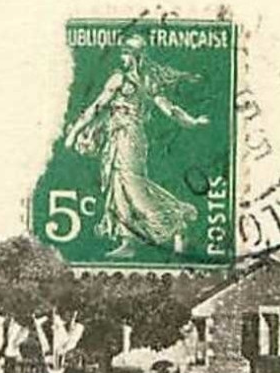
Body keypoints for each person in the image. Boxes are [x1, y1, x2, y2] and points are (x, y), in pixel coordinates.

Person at [61, 31, 208, 258]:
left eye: (128, 54)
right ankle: (128, 241)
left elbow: (168, 108)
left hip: (131, 138)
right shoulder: (118, 78)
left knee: (133, 187)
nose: (123, 58)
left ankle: (177, 225)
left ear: (138, 56)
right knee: (117, 187)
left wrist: (192, 121)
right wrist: (76, 133)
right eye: (123, 53)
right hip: (115, 137)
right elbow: (97, 107)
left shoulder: (145, 81)